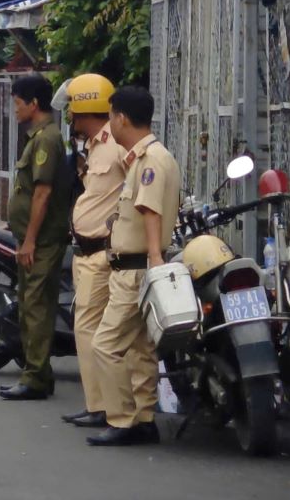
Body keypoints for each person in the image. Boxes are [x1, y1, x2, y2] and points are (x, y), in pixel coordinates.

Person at [88, 86, 179, 447]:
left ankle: (122, 419)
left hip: (137, 269)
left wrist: (154, 260)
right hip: (136, 267)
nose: (110, 124)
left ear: (122, 118)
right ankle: (143, 418)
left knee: (105, 344)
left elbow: (150, 210)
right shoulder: (146, 157)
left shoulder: (150, 160)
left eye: (111, 117)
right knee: (141, 349)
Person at [55, 74, 127, 429]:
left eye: (73, 108)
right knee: (89, 330)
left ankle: (102, 407)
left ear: (86, 107)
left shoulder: (117, 146)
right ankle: (98, 404)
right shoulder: (96, 146)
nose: (70, 116)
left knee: (91, 330)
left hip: (102, 253)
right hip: (86, 253)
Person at [0, 73, 72, 401]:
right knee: (29, 305)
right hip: (32, 239)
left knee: (37, 308)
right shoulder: (39, 137)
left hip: (42, 241)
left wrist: (29, 240)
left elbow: (42, 194)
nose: (14, 109)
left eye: (18, 103)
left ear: (33, 103)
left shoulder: (46, 140)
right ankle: (38, 374)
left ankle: (35, 377)